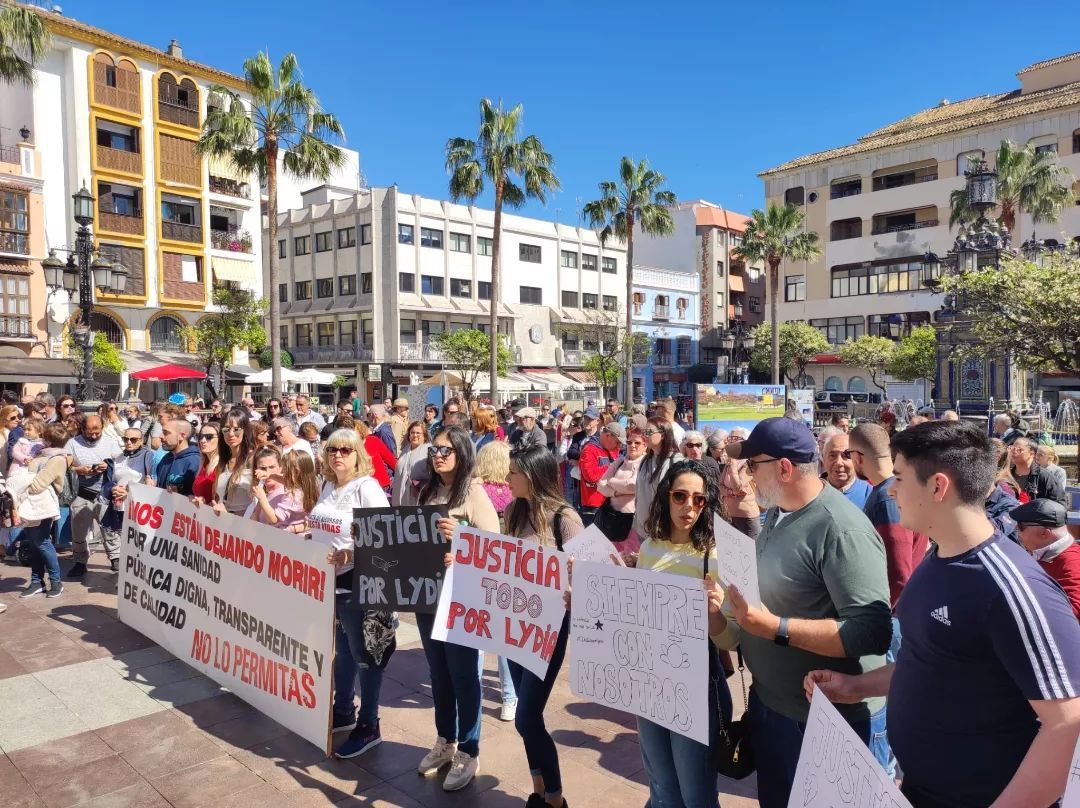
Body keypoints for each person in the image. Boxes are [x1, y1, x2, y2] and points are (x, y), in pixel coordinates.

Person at [806, 420, 1080, 808]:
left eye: (899, 478)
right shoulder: (937, 559)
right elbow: (931, 662)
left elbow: (1067, 723)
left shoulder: (1011, 587)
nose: (892, 489)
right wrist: (854, 687)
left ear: (937, 486)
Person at [720, 418, 893, 808]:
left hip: (829, 723)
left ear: (783, 468)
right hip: (775, 710)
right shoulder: (778, 513)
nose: (746, 476)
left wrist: (775, 628)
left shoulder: (840, 530)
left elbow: (871, 633)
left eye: (753, 466)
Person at [403, 425, 500, 790]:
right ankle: (446, 740)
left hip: (462, 597)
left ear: (462, 454)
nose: (438, 456)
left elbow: (495, 545)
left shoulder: (474, 493)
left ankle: (469, 750)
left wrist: (462, 539)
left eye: (446, 450)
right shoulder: (427, 490)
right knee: (438, 673)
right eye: (434, 450)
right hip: (427, 593)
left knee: (463, 675)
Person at [632, 459, 731, 808]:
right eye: (680, 496)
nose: (689, 506)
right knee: (661, 789)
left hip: (694, 684)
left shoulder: (715, 557)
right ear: (666, 497)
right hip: (649, 683)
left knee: (697, 796)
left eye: (699, 500)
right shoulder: (649, 548)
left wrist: (713, 613)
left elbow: (728, 640)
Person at [503, 443, 582, 808]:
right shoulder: (513, 512)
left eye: (513, 472)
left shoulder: (564, 518)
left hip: (548, 629)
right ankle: (538, 791)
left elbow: (587, 572)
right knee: (525, 717)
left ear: (533, 476)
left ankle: (556, 799)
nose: (507, 478)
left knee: (526, 716)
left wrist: (572, 588)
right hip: (515, 625)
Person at [312, 430, 395, 759]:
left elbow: (384, 536)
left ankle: (369, 723)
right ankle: (343, 710)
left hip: (360, 581)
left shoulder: (367, 488)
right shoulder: (328, 486)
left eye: (346, 450)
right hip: (330, 583)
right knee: (343, 650)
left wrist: (350, 555)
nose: (338, 455)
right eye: (333, 449)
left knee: (366, 654)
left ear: (358, 454)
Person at [472, 439, 518, 722]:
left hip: (478, 567)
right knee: (505, 638)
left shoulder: (474, 491)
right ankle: (510, 698)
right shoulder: (515, 494)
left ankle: (472, 692)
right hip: (509, 568)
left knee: (475, 632)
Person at [17, 423, 71, 598]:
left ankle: (56, 581)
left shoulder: (57, 459)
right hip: (30, 504)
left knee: (42, 542)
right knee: (34, 544)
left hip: (42, 505)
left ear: (48, 439)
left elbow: (38, 484)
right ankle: (36, 581)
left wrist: (22, 483)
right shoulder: (41, 454)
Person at [66, 415, 122, 579]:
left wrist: (108, 464)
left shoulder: (110, 441)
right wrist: (80, 470)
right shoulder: (72, 443)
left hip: (104, 493)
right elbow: (65, 466)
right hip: (81, 493)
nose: (94, 436)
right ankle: (80, 562)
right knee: (78, 532)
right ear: (82, 429)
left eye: (97, 432)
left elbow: (120, 463)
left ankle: (115, 557)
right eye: (90, 433)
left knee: (109, 528)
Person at [1011, 498, 1080, 619]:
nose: (1016, 529)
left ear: (1044, 534)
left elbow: (1072, 613)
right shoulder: (1044, 553)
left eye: (1021, 526)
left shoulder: (1071, 563)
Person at [98, 427, 155, 571]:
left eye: (133, 439)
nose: (129, 442)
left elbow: (151, 481)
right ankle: (121, 565)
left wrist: (129, 492)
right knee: (120, 535)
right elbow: (109, 481)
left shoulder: (148, 456)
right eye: (126, 439)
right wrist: (113, 488)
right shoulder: (118, 458)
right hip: (118, 504)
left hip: (139, 505)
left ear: (141, 441)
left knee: (138, 538)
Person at [632, 418, 682, 544]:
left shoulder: (675, 462)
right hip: (643, 529)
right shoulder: (646, 460)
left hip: (664, 532)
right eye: (644, 432)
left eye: (649, 432)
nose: (645, 436)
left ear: (663, 434)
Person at [595, 424, 645, 546]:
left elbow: (632, 486)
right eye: (629, 442)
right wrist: (616, 492)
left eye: (637, 443)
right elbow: (600, 485)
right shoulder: (619, 461)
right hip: (611, 518)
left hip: (632, 523)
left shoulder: (645, 463)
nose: (632, 446)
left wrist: (611, 481)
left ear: (645, 445)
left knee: (628, 559)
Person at [243, 445, 312, 533]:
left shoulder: (289, 492)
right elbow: (253, 524)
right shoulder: (262, 491)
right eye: (263, 468)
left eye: (272, 467)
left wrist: (262, 498)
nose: (267, 472)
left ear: (280, 468)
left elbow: (273, 520)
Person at [577, 421, 622, 526]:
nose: (618, 446)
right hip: (593, 506)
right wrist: (612, 467)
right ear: (608, 436)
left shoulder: (611, 449)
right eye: (617, 442)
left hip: (609, 502)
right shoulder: (589, 449)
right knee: (593, 540)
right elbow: (590, 476)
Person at [213, 409, 254, 516]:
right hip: (223, 525)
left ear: (245, 431)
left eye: (236, 429)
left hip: (244, 525)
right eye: (226, 429)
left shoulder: (253, 459)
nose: (230, 434)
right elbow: (218, 498)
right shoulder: (222, 461)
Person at [1009, 437, 1067, 506]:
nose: (1014, 452)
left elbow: (1059, 507)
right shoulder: (1006, 477)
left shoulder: (1046, 478)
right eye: (1012, 448)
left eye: (1019, 450)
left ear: (1032, 453)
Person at [822, 431, 872, 509]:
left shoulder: (870, 495)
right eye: (832, 455)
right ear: (824, 459)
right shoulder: (812, 492)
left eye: (846, 455)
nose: (839, 462)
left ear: (857, 460)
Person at [155, 419, 200, 495]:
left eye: (166, 433)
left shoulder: (195, 462)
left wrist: (179, 494)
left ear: (182, 436)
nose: (160, 436)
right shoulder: (166, 458)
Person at [355, 419, 396, 491]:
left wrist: (401, 475)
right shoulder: (351, 447)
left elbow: (390, 459)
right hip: (362, 486)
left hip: (381, 484)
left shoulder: (374, 440)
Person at [191, 421, 225, 506]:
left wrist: (206, 503)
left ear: (221, 439)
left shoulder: (222, 466)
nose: (202, 441)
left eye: (209, 437)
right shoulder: (204, 464)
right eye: (200, 437)